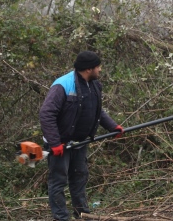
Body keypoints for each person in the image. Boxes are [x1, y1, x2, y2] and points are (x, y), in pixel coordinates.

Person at [39, 51, 124, 220]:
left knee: (79, 178)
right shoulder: (63, 85)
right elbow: (46, 114)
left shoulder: (93, 85)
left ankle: (82, 214)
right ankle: (61, 217)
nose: (100, 70)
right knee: (58, 181)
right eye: (98, 67)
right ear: (88, 69)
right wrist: (55, 143)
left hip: (79, 142)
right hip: (60, 145)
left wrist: (112, 126)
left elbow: (96, 110)